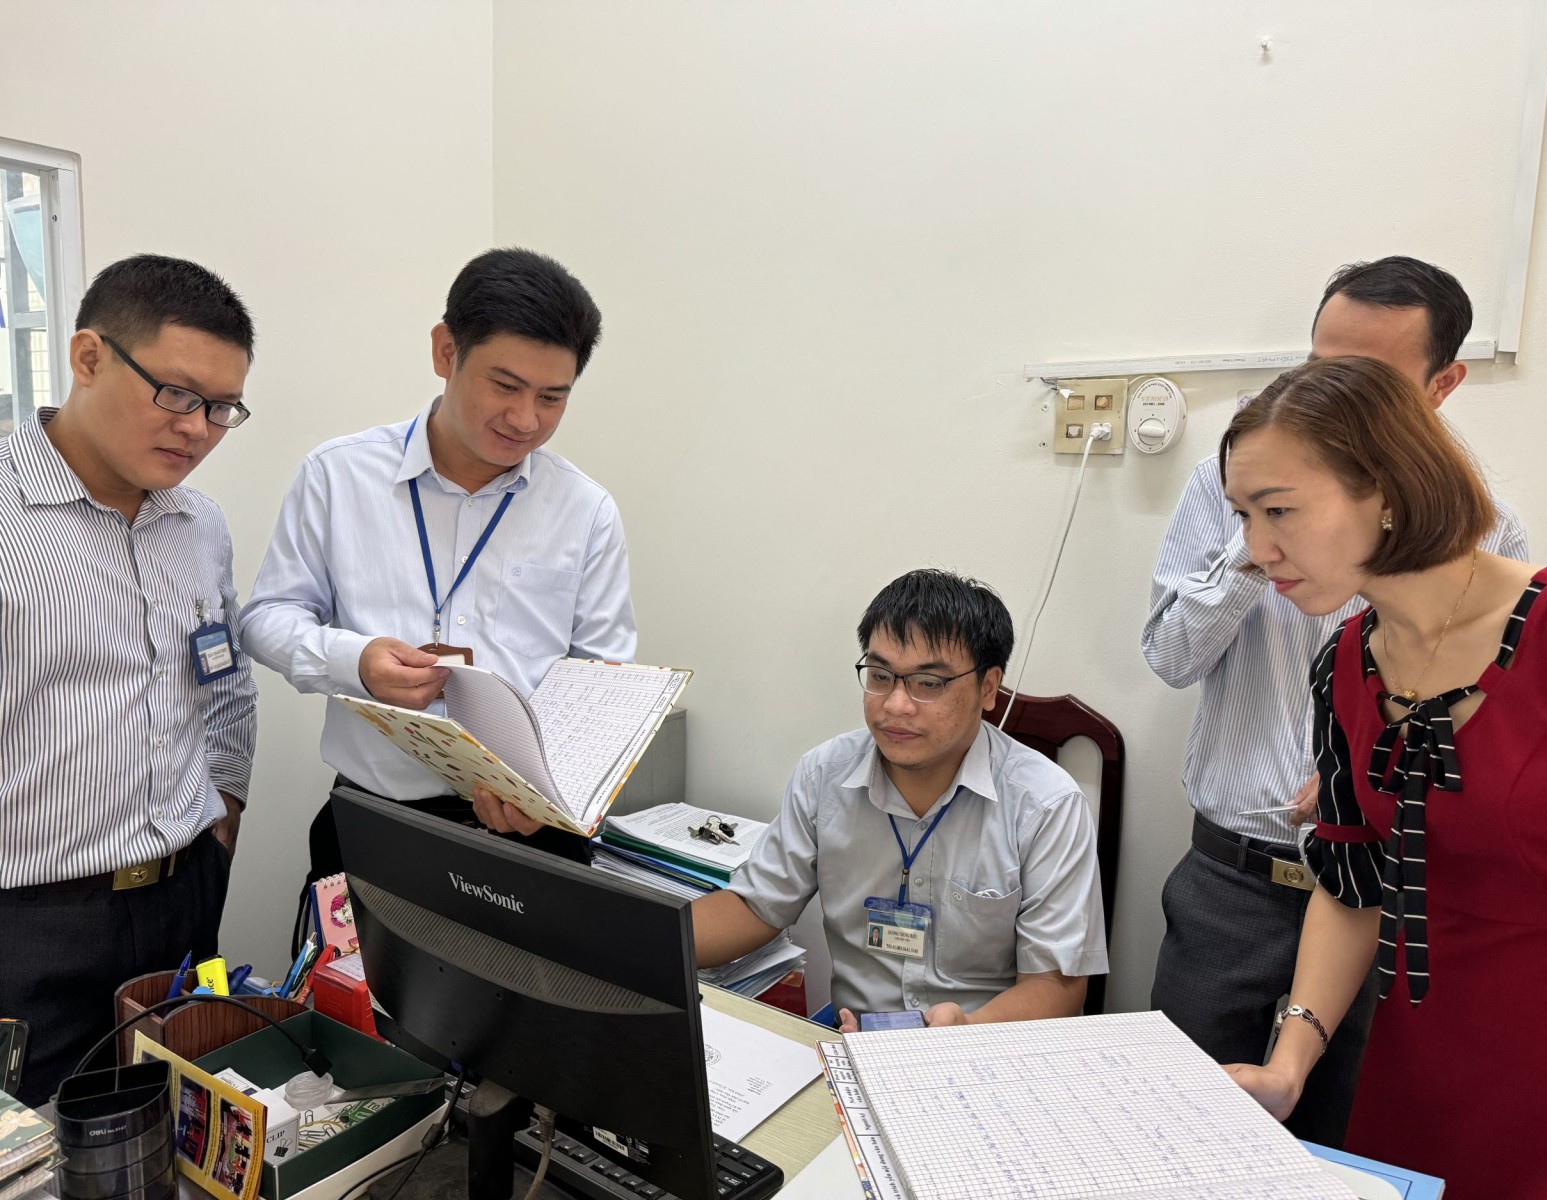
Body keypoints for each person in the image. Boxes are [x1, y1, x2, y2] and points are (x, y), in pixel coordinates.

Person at [1140, 256, 1527, 1144]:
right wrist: (1261, 527)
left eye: (1369, 378)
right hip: (1235, 882)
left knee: (1349, 1145)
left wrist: (1376, 776)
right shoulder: (1238, 496)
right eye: (1319, 368)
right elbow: (1169, 656)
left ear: (1440, 387)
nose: (1332, 398)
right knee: (1180, 1137)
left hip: (1394, 904)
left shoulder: (1512, 562)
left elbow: (1489, 740)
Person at [1220, 354, 1547, 1197]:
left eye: (1279, 510)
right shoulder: (1344, 664)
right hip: (1417, 1078)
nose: (1257, 548)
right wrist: (1289, 1064)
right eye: (1243, 515)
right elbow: (1353, 882)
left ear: (1387, 489)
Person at [241, 248, 634, 883]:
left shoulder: (585, 510)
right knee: (352, 954)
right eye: (505, 386)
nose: (525, 419)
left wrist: (556, 788)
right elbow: (267, 617)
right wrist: (354, 661)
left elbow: (602, 681)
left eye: (552, 397)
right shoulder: (338, 476)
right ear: (446, 351)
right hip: (374, 823)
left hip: (533, 833)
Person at [0, 255, 258, 1105]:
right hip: (32, 922)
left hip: (183, 901)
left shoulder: (200, 524)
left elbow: (225, 686)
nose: (198, 429)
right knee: (36, 1152)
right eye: (177, 394)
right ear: (88, 357)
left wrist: (221, 817)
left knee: (178, 1130)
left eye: (222, 408)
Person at [692, 569, 1107, 1031]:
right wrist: (642, 939)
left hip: (985, 1043)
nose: (895, 705)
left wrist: (965, 1030)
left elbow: (1056, 985)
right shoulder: (824, 775)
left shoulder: (1046, 805)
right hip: (852, 1035)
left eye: (928, 682)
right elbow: (755, 908)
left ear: (988, 688)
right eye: (881, 675)